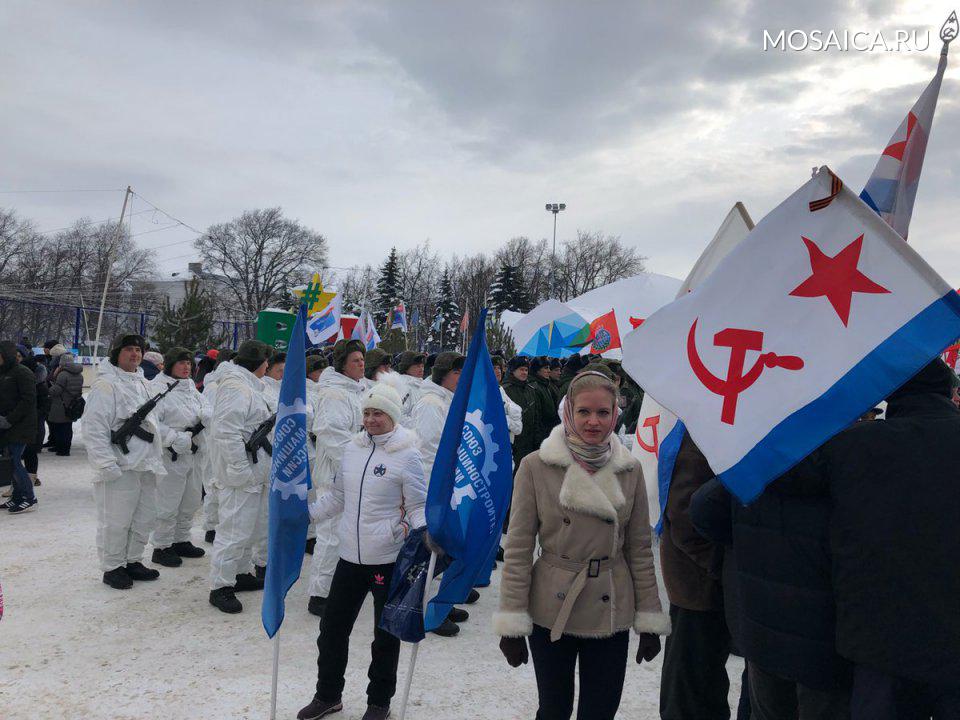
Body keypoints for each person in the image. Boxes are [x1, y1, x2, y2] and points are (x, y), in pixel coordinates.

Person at [784, 360, 960, 719]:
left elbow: (785, 475)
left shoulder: (854, 445)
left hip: (878, 641)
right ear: (949, 392)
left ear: (890, 395)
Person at [494, 370, 670, 720]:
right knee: (554, 709)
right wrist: (512, 620)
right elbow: (517, 549)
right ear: (568, 412)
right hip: (552, 605)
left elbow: (639, 550)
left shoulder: (630, 469)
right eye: (584, 412)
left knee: (600, 711)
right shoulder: (535, 466)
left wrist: (649, 618)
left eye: (603, 412)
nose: (593, 422)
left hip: (610, 604)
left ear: (616, 415)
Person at [297, 381, 427, 720]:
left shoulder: (408, 454)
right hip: (350, 558)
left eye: (378, 413)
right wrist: (303, 516)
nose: (370, 420)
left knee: (384, 637)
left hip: (387, 558)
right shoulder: (352, 449)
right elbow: (338, 496)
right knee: (331, 630)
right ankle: (328, 696)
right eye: (367, 413)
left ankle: (378, 702)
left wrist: (425, 532)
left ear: (393, 415)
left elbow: (417, 507)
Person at [691, 471, 851, 720]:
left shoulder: (760, 459)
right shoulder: (848, 456)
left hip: (763, 624)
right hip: (826, 632)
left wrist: (740, 548)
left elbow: (703, 509)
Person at [657, 432, 747, 720]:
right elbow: (686, 515)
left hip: (716, 580)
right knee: (691, 691)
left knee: (705, 682)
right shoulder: (702, 431)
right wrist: (725, 567)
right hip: (697, 584)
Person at [81, 334, 166, 588]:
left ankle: (133, 560)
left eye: (138, 350)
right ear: (117, 353)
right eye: (129, 349)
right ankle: (113, 567)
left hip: (146, 464)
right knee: (116, 521)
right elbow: (94, 427)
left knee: (143, 518)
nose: (135, 355)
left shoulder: (143, 382)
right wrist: (105, 464)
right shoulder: (106, 385)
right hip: (120, 466)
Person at [207, 339, 274, 613]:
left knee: (252, 528)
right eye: (267, 361)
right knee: (234, 531)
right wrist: (239, 470)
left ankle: (241, 572)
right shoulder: (236, 387)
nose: (269, 366)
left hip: (256, 471)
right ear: (259, 363)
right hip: (242, 474)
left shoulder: (251, 386)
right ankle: (220, 585)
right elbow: (226, 432)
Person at [410, 350, 469, 635]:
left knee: (443, 548)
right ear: (443, 373)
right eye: (457, 372)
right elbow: (428, 450)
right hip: (433, 486)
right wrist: (441, 489)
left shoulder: (447, 399)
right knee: (428, 550)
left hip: (447, 484)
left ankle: (438, 602)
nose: (461, 378)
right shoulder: (432, 402)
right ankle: (420, 608)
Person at [308, 339, 367, 618]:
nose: (362, 364)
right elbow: (332, 435)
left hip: (354, 476)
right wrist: (362, 459)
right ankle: (320, 594)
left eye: (362, 359)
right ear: (342, 363)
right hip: (334, 479)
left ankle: (339, 587)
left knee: (346, 536)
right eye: (356, 360)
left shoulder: (358, 390)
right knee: (330, 537)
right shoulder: (333, 394)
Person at [148, 347, 207, 568]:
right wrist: (173, 438)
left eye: (189, 363)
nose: (186, 367)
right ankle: (162, 546)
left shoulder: (190, 387)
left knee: (190, 500)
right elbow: (151, 421)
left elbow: (205, 405)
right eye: (181, 363)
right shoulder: (157, 388)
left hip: (193, 452)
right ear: (170, 364)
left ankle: (181, 539)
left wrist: (207, 414)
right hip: (170, 455)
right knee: (168, 502)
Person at [0, 341, 39, 514]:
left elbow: (28, 400)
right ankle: (16, 497)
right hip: (7, 425)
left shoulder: (23, 372)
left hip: (21, 425)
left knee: (15, 462)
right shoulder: (4, 373)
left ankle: (29, 498)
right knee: (10, 462)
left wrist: (9, 419)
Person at [502, 356, 544, 469]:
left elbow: (536, 415)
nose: (524, 372)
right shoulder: (505, 390)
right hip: (514, 445)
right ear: (513, 370)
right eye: (521, 369)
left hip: (530, 443)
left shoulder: (531, 389)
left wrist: (537, 439)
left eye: (526, 370)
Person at [17, 347, 48, 488]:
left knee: (29, 450)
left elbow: (44, 403)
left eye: (19, 355)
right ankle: (19, 481)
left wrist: (35, 415)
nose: (17, 358)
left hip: (31, 420)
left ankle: (30, 478)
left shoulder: (38, 381)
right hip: (17, 419)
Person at [48, 351, 84, 456]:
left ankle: (61, 449)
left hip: (61, 404)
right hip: (72, 404)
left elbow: (57, 390)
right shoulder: (79, 374)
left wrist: (50, 388)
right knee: (68, 428)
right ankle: (65, 448)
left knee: (59, 428)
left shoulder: (63, 374)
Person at [396, 350, 426, 423]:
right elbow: (398, 415)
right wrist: (417, 427)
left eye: (422, 366)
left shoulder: (421, 385)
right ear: (406, 368)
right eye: (417, 366)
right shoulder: (404, 387)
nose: (421, 369)